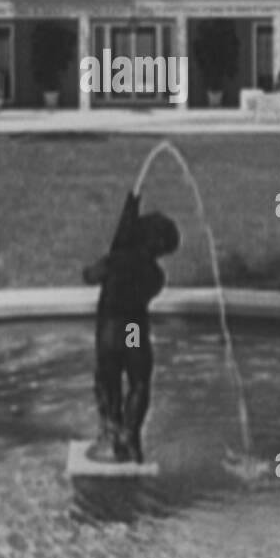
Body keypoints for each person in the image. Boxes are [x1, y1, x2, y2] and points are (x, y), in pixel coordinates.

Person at [82, 191, 180, 463]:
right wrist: (131, 205)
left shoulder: (116, 261)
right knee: (139, 382)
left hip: (110, 331)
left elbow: (91, 276)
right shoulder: (156, 276)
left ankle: (111, 433)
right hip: (133, 330)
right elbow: (125, 237)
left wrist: (95, 269)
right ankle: (131, 434)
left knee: (107, 379)